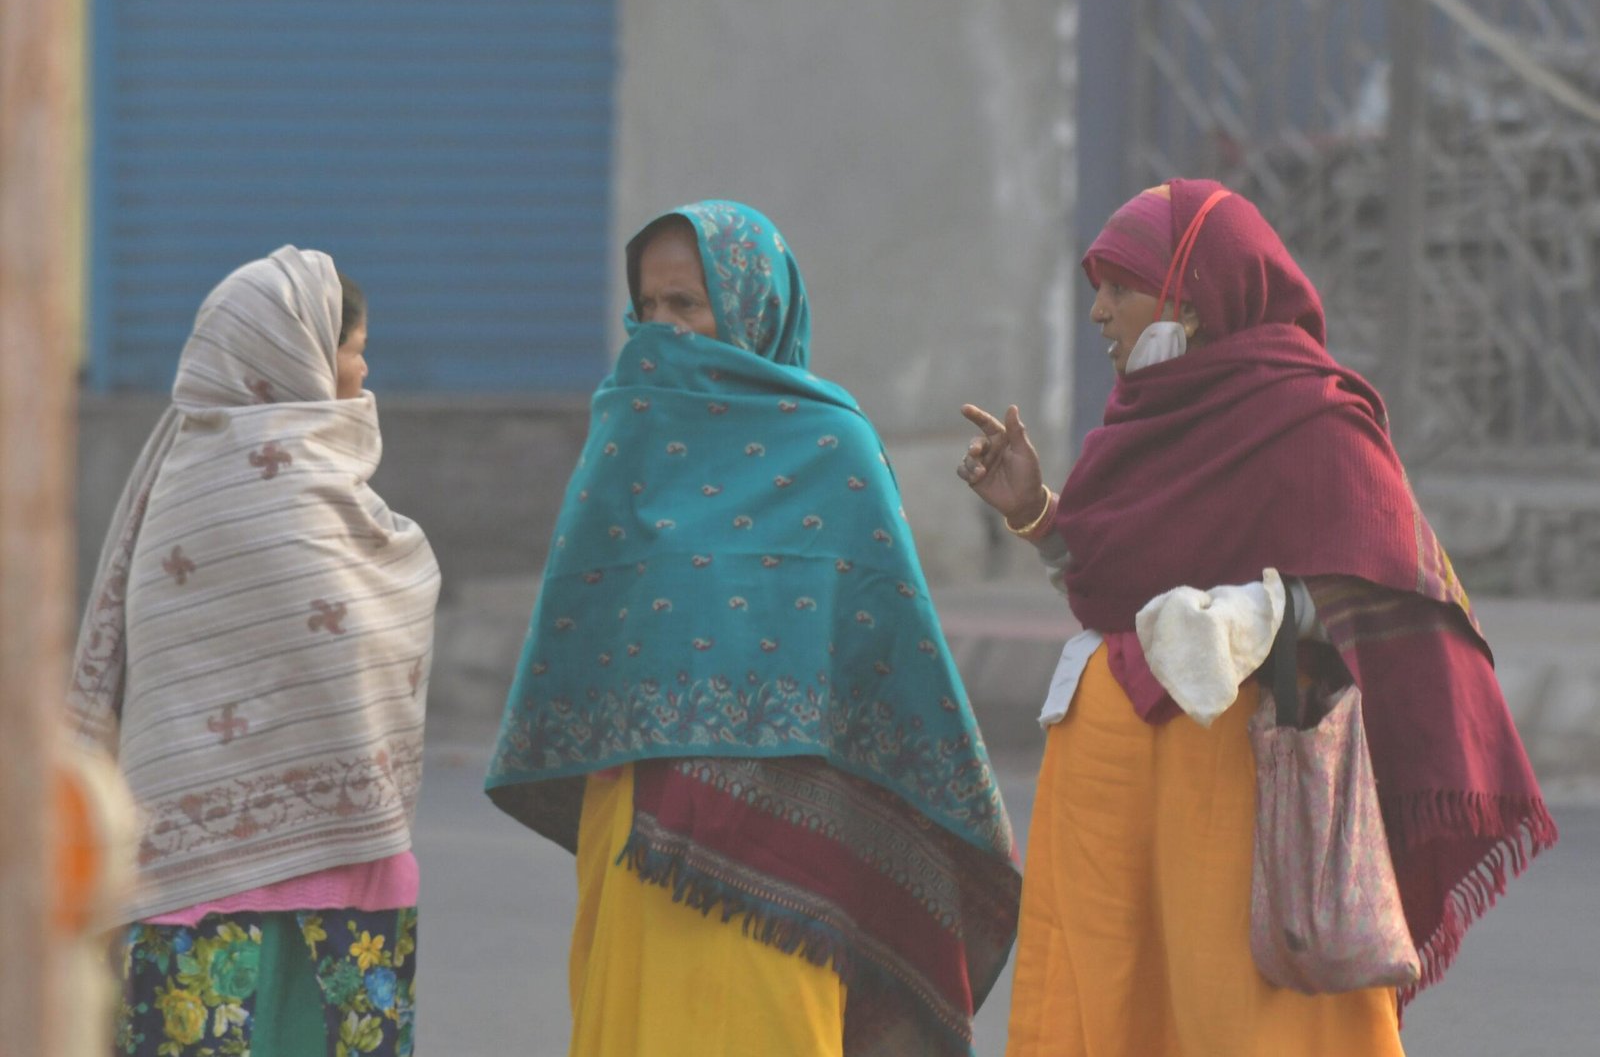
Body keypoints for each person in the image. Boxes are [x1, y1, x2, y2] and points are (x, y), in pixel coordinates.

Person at [958, 180, 1558, 1056]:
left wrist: (1262, 610)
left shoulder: (1314, 416)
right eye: (1098, 288)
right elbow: (1114, 593)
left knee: (1249, 1023)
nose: (1097, 312)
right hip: (1106, 801)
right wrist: (1039, 516)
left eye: (1121, 286)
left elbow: (1389, 582)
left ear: (1192, 299)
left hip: (1240, 798)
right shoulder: (1133, 428)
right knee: (1107, 1011)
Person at [487, 200, 1021, 1057]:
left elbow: (891, 656)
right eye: (648, 308)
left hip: (789, 868)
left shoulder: (832, 447)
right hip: (638, 840)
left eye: (687, 306)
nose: (663, 331)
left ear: (751, 311)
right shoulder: (627, 433)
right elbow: (579, 634)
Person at [67, 247, 440, 1057]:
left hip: (239, 882)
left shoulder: (182, 477)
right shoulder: (242, 490)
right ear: (294, 351)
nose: (364, 367)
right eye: (353, 347)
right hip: (244, 886)